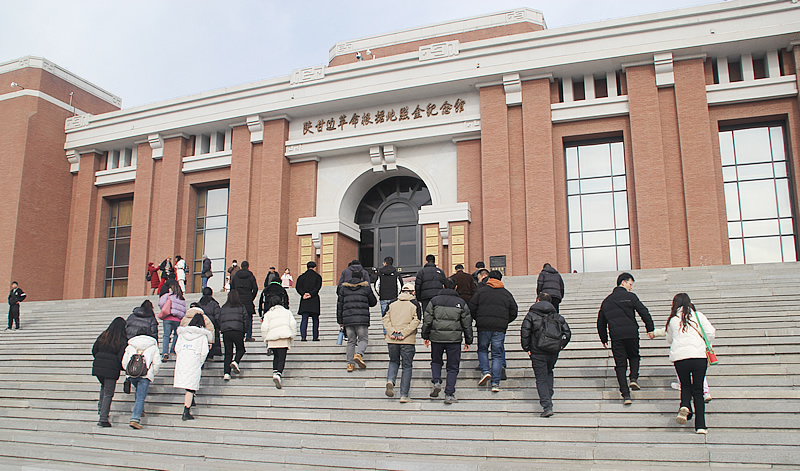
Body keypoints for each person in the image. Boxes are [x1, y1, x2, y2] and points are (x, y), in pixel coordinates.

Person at [597, 272, 654, 405]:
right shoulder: (630, 297)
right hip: (631, 333)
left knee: (620, 365)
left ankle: (626, 395)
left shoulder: (607, 301)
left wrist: (604, 338)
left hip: (616, 336)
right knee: (634, 356)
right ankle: (633, 378)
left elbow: (601, 322)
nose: (631, 287)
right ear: (623, 282)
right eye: (630, 284)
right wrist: (650, 328)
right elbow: (643, 312)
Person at [664, 293, 715, 434]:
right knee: (698, 391)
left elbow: (669, 339)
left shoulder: (673, 320)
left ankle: (685, 405)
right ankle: (701, 426)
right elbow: (710, 332)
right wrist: (706, 343)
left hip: (680, 358)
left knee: (685, 385)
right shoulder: (698, 315)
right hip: (699, 356)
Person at [520, 292, 571, 417]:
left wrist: (527, 348)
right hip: (553, 351)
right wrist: (560, 345)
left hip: (537, 351)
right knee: (549, 372)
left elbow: (525, 332)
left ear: (537, 300)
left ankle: (547, 405)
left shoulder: (531, 315)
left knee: (541, 378)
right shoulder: (557, 316)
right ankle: (548, 396)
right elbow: (568, 333)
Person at [422, 278, 473, 404]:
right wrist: (468, 340)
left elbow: (427, 320)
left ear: (443, 286)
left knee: (436, 361)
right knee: (452, 367)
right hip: (454, 339)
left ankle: (437, 381)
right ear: (455, 288)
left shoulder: (434, 301)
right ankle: (449, 394)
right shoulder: (461, 302)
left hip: (437, 337)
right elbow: (467, 323)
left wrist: (425, 335)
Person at [469, 270, 518, 392]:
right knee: (497, 354)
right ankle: (495, 383)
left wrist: (478, 319)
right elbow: (514, 311)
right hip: (499, 328)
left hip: (484, 326)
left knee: (482, 349)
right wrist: (504, 321)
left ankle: (485, 371)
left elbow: (472, 307)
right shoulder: (506, 293)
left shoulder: (481, 291)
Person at [383, 282, 421, 403]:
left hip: (392, 339)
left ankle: (390, 380)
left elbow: (385, 318)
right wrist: (403, 333)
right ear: (413, 292)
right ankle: (404, 395)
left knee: (393, 361)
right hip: (407, 340)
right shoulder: (415, 304)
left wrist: (392, 332)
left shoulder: (392, 302)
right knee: (407, 366)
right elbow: (417, 320)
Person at [173, 314, 213, 420]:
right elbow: (204, 352)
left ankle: (191, 400)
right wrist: (199, 362)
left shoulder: (182, 334)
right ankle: (186, 410)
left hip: (182, 360)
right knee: (191, 386)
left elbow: (176, 348)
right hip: (194, 361)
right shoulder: (202, 336)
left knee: (189, 383)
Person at [337, 269, 377, 372]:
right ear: (361, 277)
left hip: (348, 320)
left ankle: (350, 364)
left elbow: (339, 306)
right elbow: (373, 302)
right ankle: (359, 354)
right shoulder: (365, 288)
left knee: (351, 341)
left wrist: (340, 320)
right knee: (363, 339)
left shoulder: (343, 289)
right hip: (362, 319)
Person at [122, 326, 162, 429]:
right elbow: (157, 362)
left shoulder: (131, 345)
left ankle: (141, 410)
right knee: (140, 397)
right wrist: (152, 372)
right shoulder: (153, 346)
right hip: (145, 374)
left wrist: (129, 371)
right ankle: (135, 419)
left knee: (138, 392)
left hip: (132, 374)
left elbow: (124, 361)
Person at [92, 317, 127, 427]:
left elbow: (94, 349)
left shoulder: (104, 335)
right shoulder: (121, 339)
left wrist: (99, 358)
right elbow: (121, 356)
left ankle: (101, 409)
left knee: (103, 388)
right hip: (111, 368)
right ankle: (103, 418)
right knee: (108, 392)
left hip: (98, 366)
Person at [260, 294, 298, 389]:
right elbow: (293, 324)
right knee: (282, 358)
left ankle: (274, 371)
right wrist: (292, 336)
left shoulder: (268, 314)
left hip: (272, 338)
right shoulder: (287, 312)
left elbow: (264, 328)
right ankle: (279, 374)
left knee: (275, 356)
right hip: (284, 337)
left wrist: (266, 339)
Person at [219, 289, 248, 381]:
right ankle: (236, 361)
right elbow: (246, 319)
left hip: (226, 331)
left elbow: (220, 319)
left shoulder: (224, 307)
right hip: (237, 330)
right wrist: (245, 331)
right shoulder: (241, 307)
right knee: (241, 349)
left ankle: (226, 373)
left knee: (228, 353)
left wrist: (222, 328)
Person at [230, 260, 258, 341]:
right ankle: (248, 336)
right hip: (248, 299)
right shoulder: (251, 276)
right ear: (248, 267)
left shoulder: (235, 276)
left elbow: (232, 289)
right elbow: (255, 288)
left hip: (238, 300)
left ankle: (240, 336)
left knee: (238, 319)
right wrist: (251, 297)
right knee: (249, 318)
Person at [158, 281, 187, 361]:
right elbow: (184, 310)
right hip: (177, 319)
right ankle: (172, 351)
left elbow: (160, 303)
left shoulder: (167, 296)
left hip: (167, 318)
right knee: (176, 335)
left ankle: (165, 352)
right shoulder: (181, 298)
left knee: (166, 335)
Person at [295, 261, 322, 341]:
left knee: (304, 319)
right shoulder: (317, 276)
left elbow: (298, 287)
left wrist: (303, 294)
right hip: (314, 299)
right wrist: (311, 294)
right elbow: (317, 287)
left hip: (304, 300)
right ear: (315, 267)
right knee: (315, 319)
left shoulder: (301, 277)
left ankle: (303, 336)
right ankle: (315, 336)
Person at [197, 287, 222, 360]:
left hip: (201, 325)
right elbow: (217, 316)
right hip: (212, 325)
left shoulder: (199, 304)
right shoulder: (214, 304)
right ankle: (211, 355)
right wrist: (219, 326)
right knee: (211, 340)